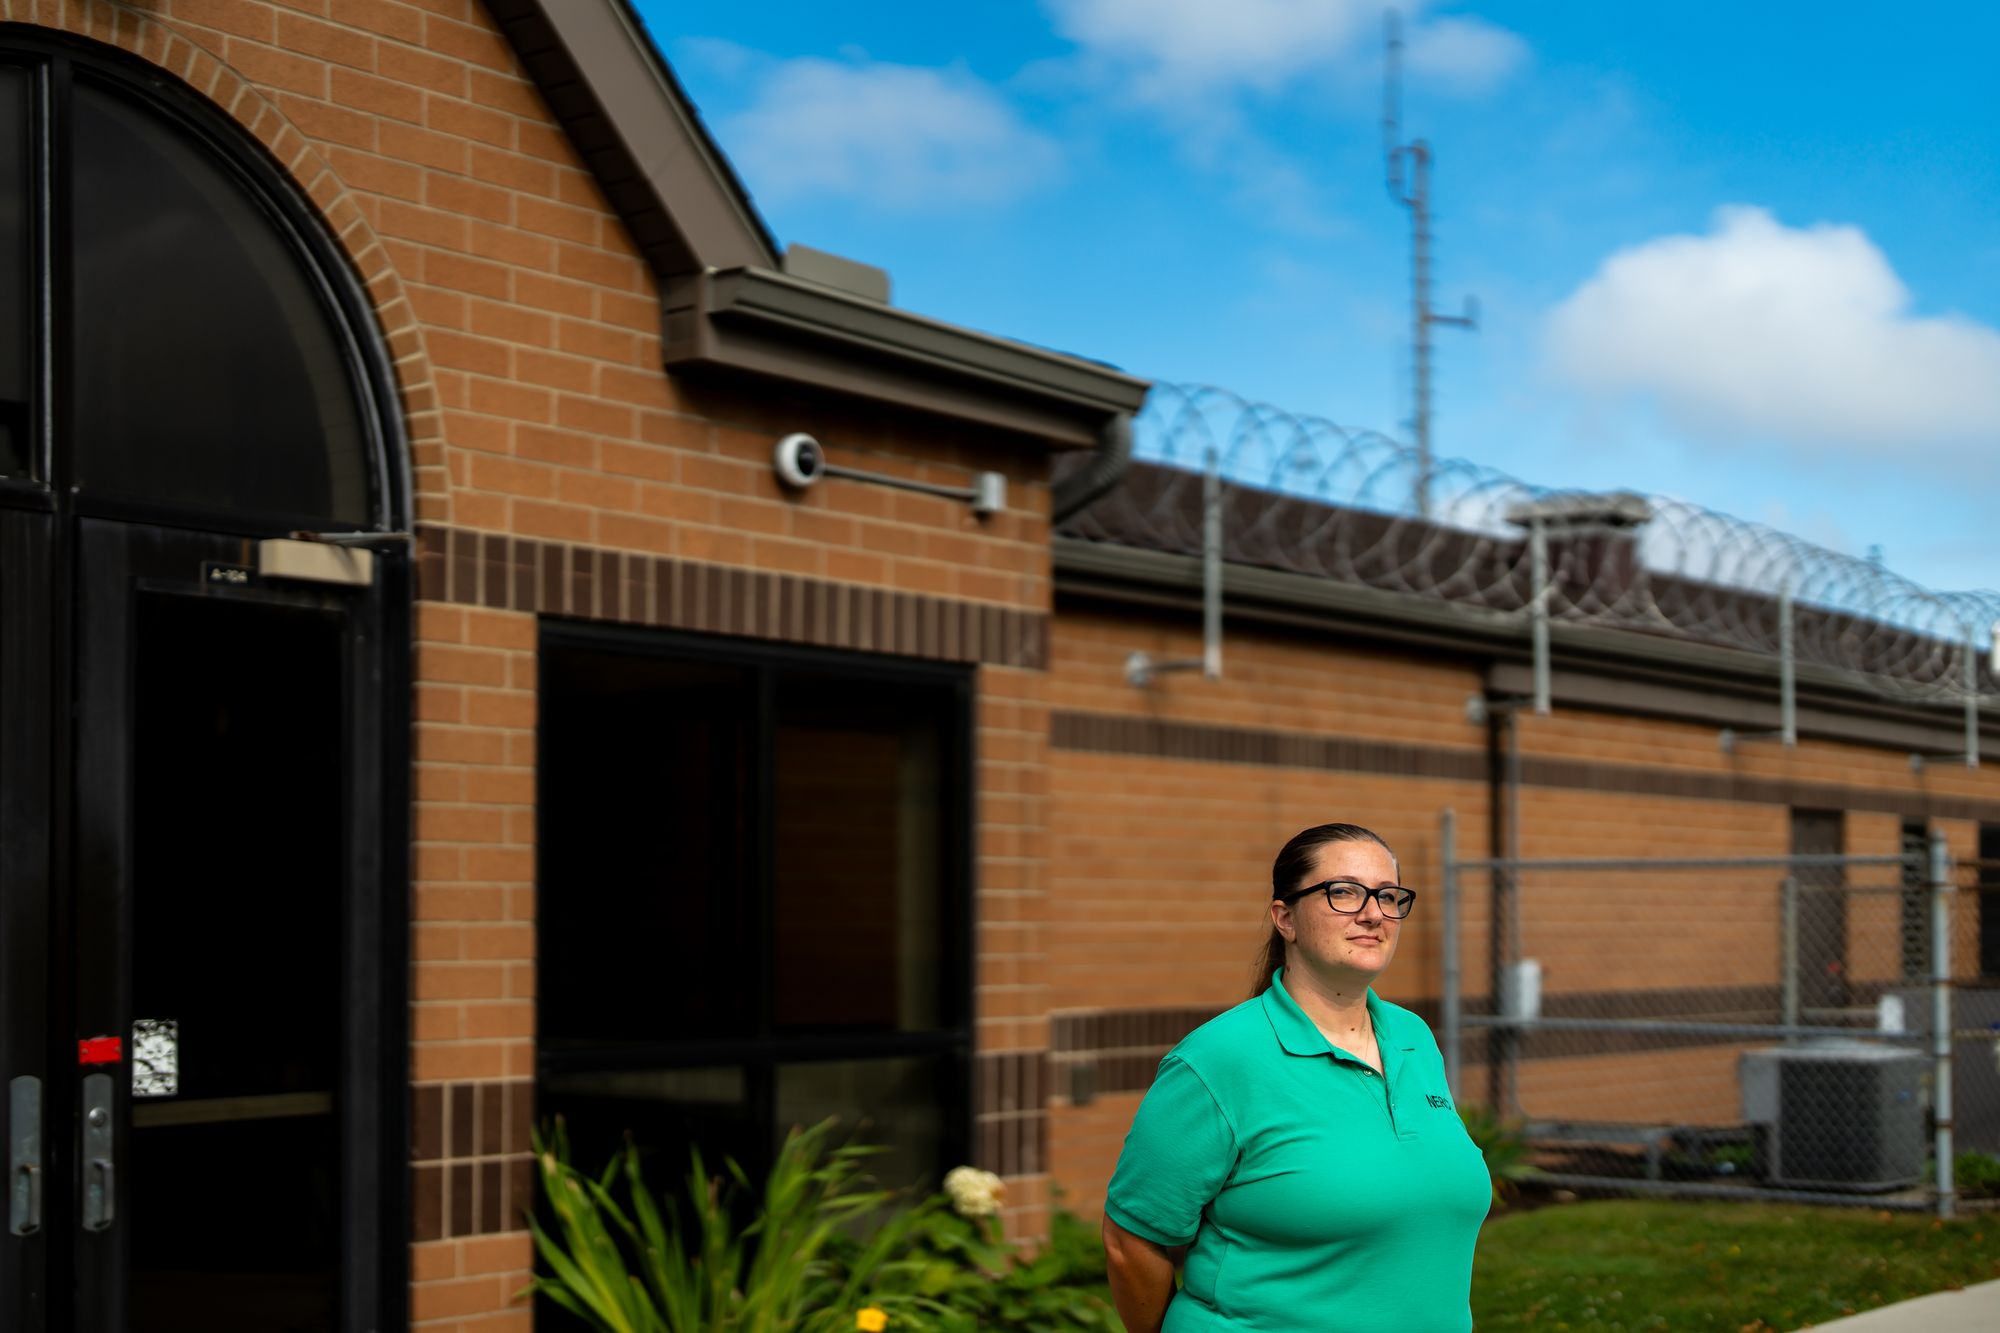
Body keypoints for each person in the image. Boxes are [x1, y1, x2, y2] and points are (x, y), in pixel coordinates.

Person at [1100, 823, 1490, 1332]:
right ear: (1285, 918)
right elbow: (1132, 1240)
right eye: (1344, 892)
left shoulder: (1412, 1036)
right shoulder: (1220, 1059)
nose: (1373, 913)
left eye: (1389, 896)